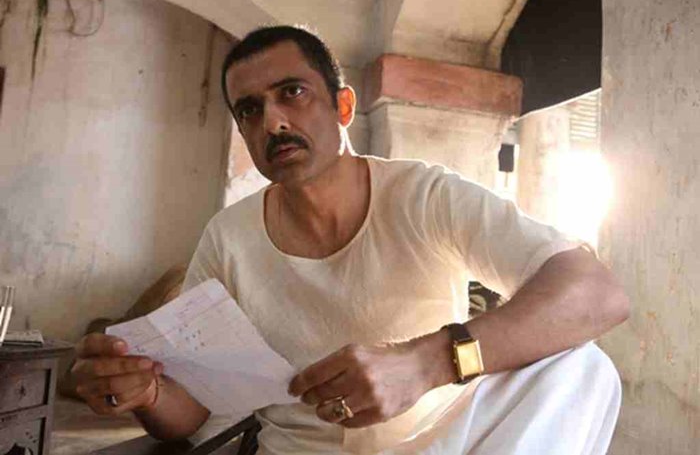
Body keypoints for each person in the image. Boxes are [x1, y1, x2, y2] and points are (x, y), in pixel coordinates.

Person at [71, 26, 630, 454]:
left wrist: (429, 362)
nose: (273, 122)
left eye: (292, 92)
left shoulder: (425, 195)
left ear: (342, 106)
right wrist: (143, 393)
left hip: (434, 442)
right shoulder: (229, 237)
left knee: (583, 370)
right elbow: (191, 411)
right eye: (250, 110)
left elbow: (596, 294)